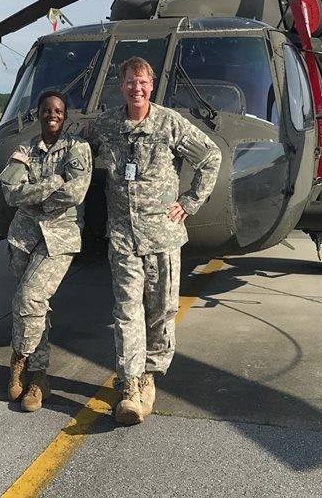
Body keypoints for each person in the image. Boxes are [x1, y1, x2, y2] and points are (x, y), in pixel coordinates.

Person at [86, 56, 222, 425]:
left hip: (162, 235)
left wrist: (191, 202)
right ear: (121, 85)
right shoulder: (108, 124)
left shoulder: (169, 123)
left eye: (143, 82)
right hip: (123, 237)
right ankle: (130, 384)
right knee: (127, 311)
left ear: (152, 83)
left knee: (161, 311)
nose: (137, 88)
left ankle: (151, 373)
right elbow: (79, 148)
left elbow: (211, 155)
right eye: (130, 82)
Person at [0, 90, 92, 412]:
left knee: (29, 298)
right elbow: (10, 193)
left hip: (59, 236)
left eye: (58, 111)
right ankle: (40, 377)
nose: (52, 115)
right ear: (39, 114)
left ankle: (22, 363)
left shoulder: (78, 149)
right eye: (46, 110)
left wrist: (33, 195)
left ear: (65, 116)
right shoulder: (25, 150)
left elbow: (75, 193)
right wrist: (53, 182)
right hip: (23, 238)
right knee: (37, 305)